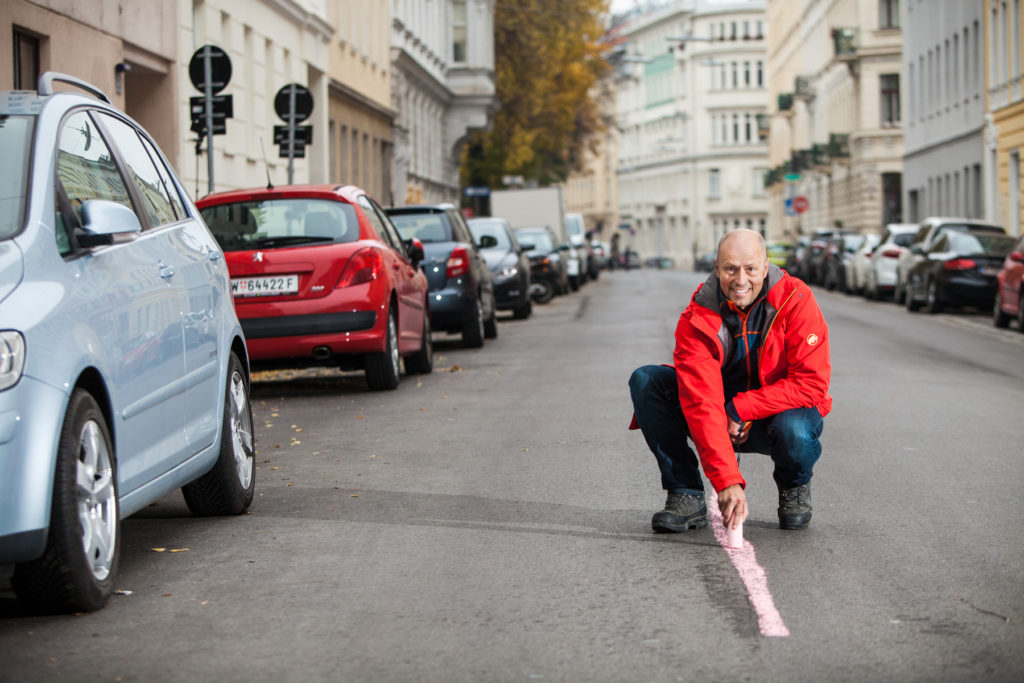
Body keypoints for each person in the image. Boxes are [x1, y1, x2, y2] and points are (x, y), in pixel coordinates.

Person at [628, 229, 831, 534]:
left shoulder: (796, 300)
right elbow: (701, 399)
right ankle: (685, 493)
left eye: (750, 268)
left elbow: (811, 384)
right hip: (718, 418)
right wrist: (727, 481)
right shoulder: (698, 315)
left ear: (765, 267)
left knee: (795, 428)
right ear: (716, 267)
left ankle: (793, 485)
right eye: (730, 268)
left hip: (775, 415)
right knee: (647, 381)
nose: (741, 280)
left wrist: (741, 408)